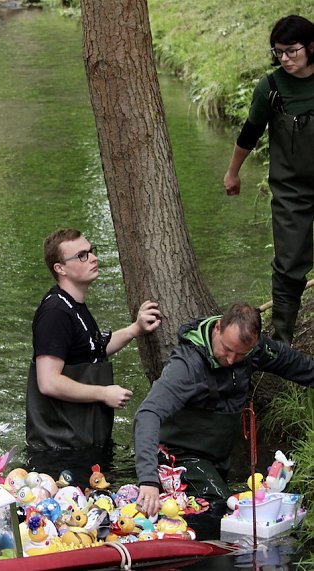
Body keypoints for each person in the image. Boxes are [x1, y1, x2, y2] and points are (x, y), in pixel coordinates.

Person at [133, 302, 314, 517]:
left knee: (226, 500)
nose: (230, 360)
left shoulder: (252, 350)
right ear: (218, 327)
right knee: (217, 506)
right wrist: (147, 480)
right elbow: (148, 413)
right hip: (177, 456)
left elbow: (293, 363)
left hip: (216, 456)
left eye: (239, 355)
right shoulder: (186, 366)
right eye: (226, 349)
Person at [26, 228, 161, 483]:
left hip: (83, 440)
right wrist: (104, 393)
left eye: (91, 251)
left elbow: (92, 350)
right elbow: (48, 381)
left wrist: (136, 328)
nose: (93, 258)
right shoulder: (55, 313)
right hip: (60, 451)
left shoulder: (74, 305)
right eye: (82, 255)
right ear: (60, 269)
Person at [223, 15, 314, 344]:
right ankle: (282, 343)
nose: (286, 59)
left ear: (311, 46)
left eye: (292, 51)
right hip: (292, 191)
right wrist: (233, 172)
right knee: (289, 266)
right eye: (279, 53)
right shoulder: (271, 87)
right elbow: (250, 131)